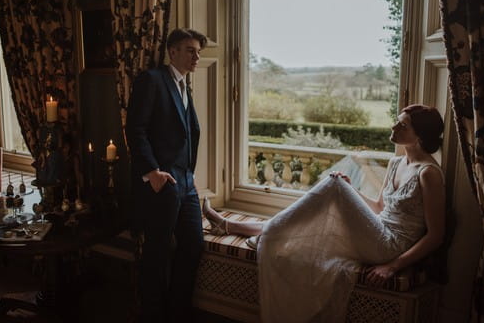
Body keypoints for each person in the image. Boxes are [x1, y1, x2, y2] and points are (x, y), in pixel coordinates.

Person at [202, 104, 446, 322]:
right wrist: (353, 190)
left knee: (334, 187)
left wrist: (393, 266)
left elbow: (436, 235)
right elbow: (381, 207)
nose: (393, 126)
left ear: (419, 136)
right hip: (378, 229)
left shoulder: (428, 174)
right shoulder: (396, 163)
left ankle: (238, 227)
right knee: (337, 186)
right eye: (396, 120)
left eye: (402, 125)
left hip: (391, 246)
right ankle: (241, 227)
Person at [126, 28, 207, 323]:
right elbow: (136, 129)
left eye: (198, 51)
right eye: (190, 50)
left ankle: (177, 312)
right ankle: (152, 315)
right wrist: (152, 172)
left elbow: (187, 134)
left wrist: (189, 174)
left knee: (193, 245)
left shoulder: (185, 85)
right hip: (163, 182)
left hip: (185, 182)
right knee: (157, 254)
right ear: (172, 51)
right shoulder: (152, 80)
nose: (196, 56)